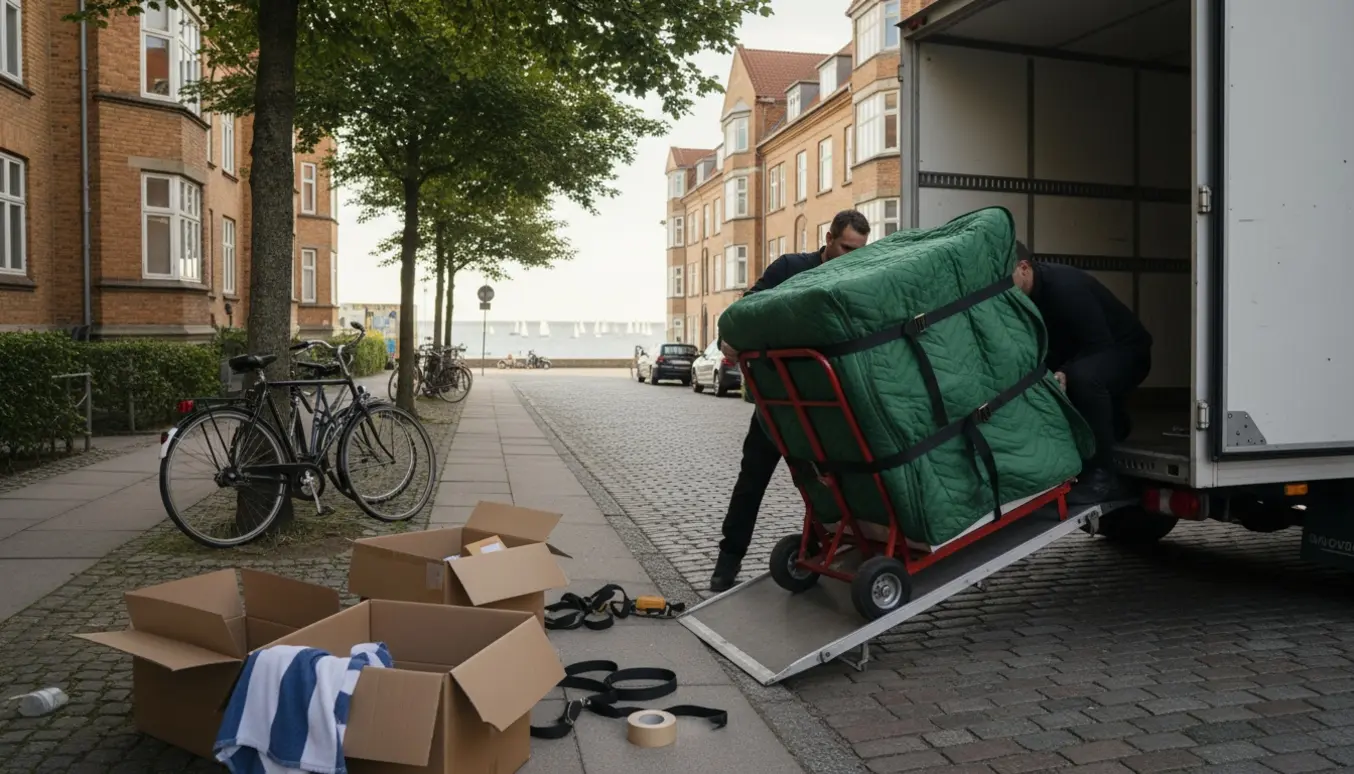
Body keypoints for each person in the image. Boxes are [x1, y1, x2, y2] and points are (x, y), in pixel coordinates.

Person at [709, 209, 871, 592]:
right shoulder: (789, 268)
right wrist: (728, 341)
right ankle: (727, 563)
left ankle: (819, 552)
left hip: (826, 408)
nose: (853, 257)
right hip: (777, 403)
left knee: (826, 485)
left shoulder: (859, 279)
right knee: (752, 480)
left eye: (860, 250)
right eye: (847, 248)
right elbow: (742, 313)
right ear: (829, 238)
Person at [1011, 242, 1153, 505]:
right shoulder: (1025, 296)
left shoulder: (1065, 287)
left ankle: (1103, 477)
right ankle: (1114, 424)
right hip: (1090, 354)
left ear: (1023, 268)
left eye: (1004, 278)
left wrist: (1064, 372)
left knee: (1083, 378)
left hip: (1128, 353)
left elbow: (1099, 344)